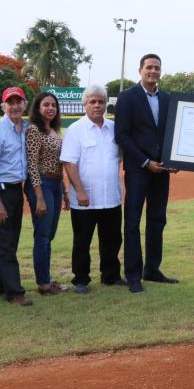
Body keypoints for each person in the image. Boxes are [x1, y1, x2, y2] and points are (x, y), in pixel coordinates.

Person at [114, 53, 179, 294]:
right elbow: (121, 135)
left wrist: (175, 159)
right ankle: (133, 275)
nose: (153, 71)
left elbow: (174, 133)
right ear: (140, 70)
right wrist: (144, 162)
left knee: (157, 220)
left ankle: (152, 269)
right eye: (149, 67)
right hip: (138, 170)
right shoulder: (127, 97)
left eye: (157, 68)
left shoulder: (168, 98)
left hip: (161, 170)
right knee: (132, 222)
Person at [61, 85, 125, 293]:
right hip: (85, 199)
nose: (97, 105)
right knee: (82, 241)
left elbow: (119, 158)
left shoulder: (114, 128)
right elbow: (69, 163)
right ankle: (81, 279)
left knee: (112, 239)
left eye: (101, 101)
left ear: (106, 104)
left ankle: (111, 276)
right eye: (92, 102)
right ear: (84, 104)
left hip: (110, 197)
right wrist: (79, 191)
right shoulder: (75, 130)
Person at [0, 87, 32, 306]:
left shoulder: (26, 128)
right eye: (10, 102)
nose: (15, 106)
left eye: (18, 102)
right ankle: (15, 291)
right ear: (3, 106)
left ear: (25, 104)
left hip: (15, 190)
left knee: (8, 240)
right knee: (4, 243)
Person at [26, 91, 70, 295]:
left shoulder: (53, 130)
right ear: (38, 107)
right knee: (43, 235)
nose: (51, 108)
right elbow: (32, 165)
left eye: (53, 105)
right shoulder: (34, 130)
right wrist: (39, 197)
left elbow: (58, 164)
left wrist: (64, 191)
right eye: (46, 105)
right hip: (41, 184)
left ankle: (46, 279)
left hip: (55, 184)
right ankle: (43, 283)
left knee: (49, 234)